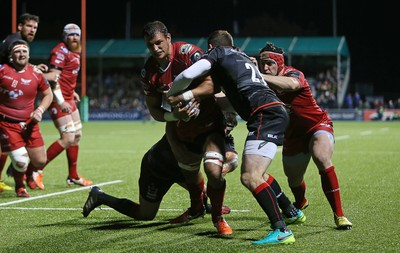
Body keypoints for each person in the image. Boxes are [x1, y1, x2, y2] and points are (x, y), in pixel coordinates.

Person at [166, 30, 305, 245]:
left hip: (264, 114)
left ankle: (281, 230)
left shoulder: (218, 54)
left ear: (211, 47)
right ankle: (291, 210)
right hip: (272, 111)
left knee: (250, 176)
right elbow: (227, 96)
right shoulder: (240, 58)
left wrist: (175, 97)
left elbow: (186, 75)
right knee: (259, 174)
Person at [140, 21, 232, 235]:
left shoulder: (188, 54)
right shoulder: (148, 72)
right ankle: (196, 208)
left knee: (212, 170)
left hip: (210, 123)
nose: (155, 49)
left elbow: (210, 85)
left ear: (168, 38)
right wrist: (175, 115)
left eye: (158, 43)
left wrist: (186, 96)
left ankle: (218, 218)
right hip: (182, 128)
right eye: (150, 45)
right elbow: (154, 110)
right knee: (190, 173)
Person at [255, 42, 352, 230]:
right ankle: (300, 203)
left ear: (279, 63)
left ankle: (339, 215)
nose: (265, 67)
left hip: (317, 125)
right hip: (292, 136)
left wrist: (257, 74)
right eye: (261, 64)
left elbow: (292, 85)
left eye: (269, 63)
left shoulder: (292, 73)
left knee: (322, 157)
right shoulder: (263, 83)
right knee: (294, 180)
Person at [82, 121, 238, 220]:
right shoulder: (194, 123)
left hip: (183, 170)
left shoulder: (221, 135)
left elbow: (232, 158)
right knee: (145, 215)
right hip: (158, 168)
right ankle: (100, 196)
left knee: (205, 189)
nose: (228, 129)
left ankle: (203, 208)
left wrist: (226, 167)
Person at [25, 23, 92, 190]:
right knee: (68, 137)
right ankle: (33, 170)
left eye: (77, 34)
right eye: (70, 35)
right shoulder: (60, 51)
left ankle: (73, 176)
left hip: (68, 97)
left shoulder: (75, 51)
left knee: (76, 136)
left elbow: (67, 76)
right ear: (64, 37)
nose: (74, 37)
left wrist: (72, 92)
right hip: (57, 98)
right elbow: (54, 77)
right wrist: (61, 100)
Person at [0, 40, 53, 197]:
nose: (21, 54)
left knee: (40, 161)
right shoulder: (3, 71)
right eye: (17, 51)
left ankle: (17, 165)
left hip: (30, 124)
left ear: (29, 55)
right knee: (22, 160)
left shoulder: (36, 73)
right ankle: (19, 186)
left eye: (24, 51)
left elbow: (48, 95)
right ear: (11, 56)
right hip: (7, 124)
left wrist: (40, 110)